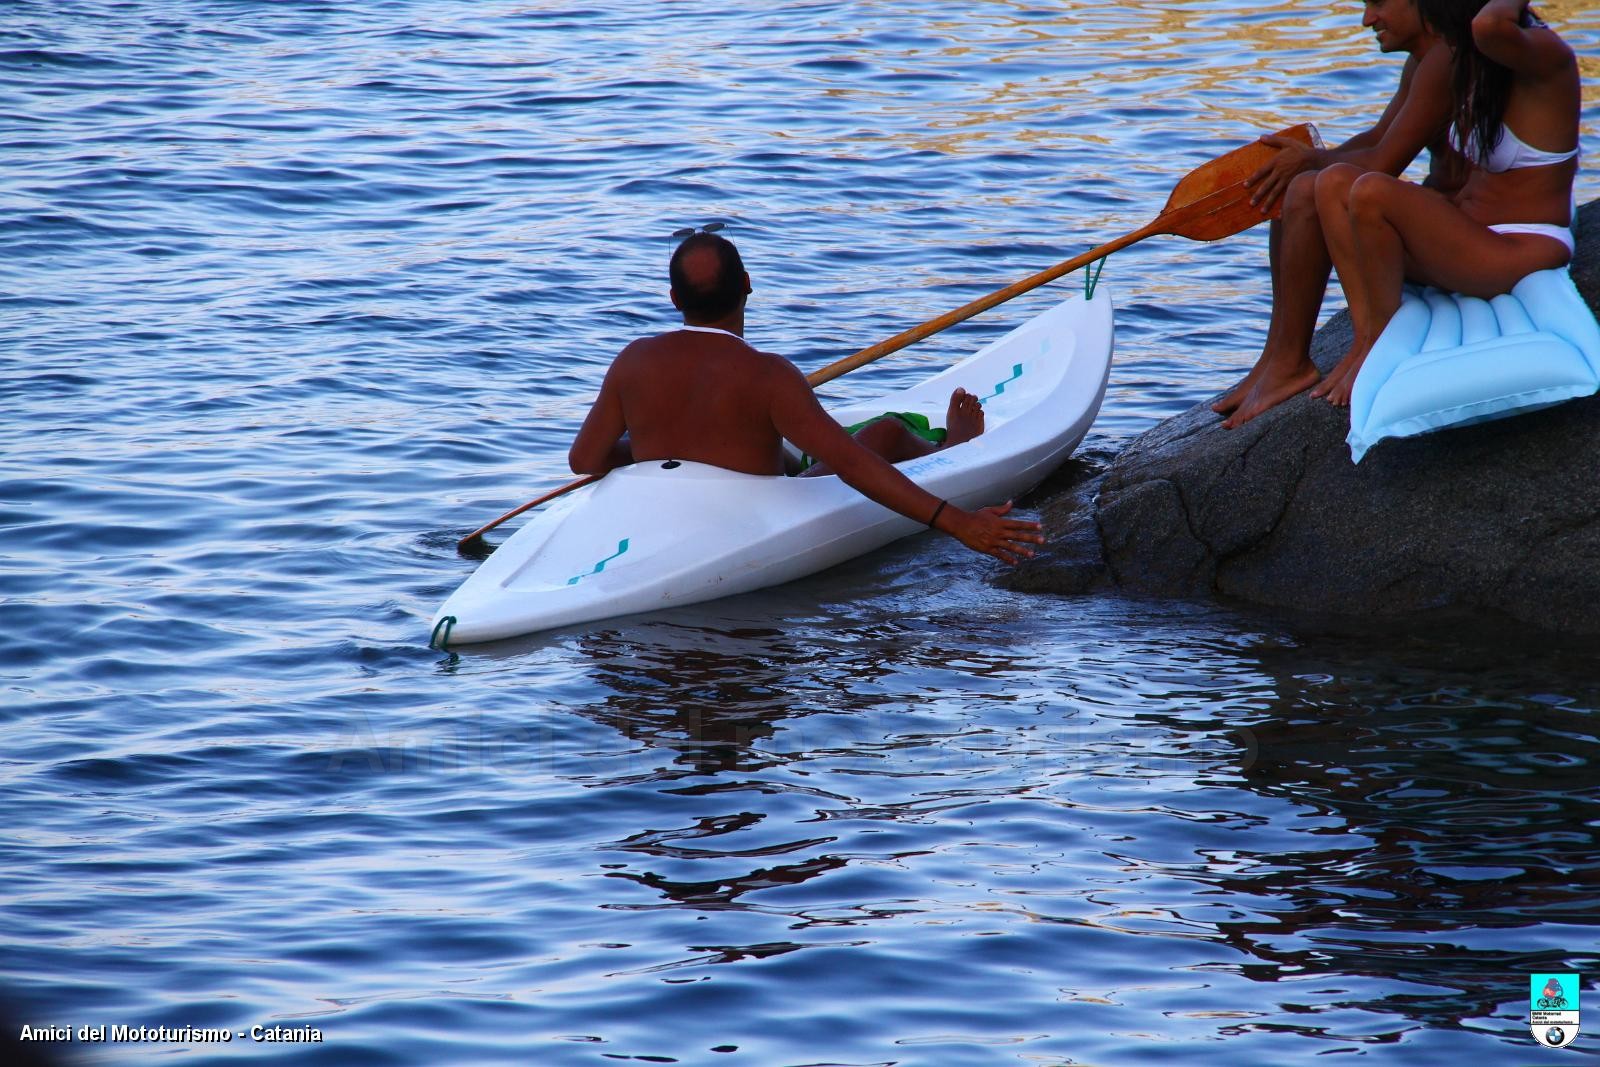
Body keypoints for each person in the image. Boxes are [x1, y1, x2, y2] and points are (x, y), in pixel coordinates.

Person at [568, 231, 1045, 564]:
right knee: (885, 432)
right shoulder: (767, 375)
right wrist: (960, 523)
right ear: (749, 286)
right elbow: (855, 466)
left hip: (672, 514)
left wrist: (663, 449)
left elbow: (585, 459)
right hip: (761, 509)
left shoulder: (632, 361)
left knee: (800, 444)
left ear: (674, 299)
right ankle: (949, 449)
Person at [1311, 0, 1579, 406]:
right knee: (1332, 184)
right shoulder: (1472, 65)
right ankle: (1366, 336)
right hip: (1470, 239)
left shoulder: (1546, 56)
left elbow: (1490, 24)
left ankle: (1380, 349)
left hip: (1520, 247)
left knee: (1371, 191)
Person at [1214, 0, 1462, 428]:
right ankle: (1278, 357)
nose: (1368, 19)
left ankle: (1294, 360)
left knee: (1312, 183)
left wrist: (1310, 163)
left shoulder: (1446, 57)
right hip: (1437, 222)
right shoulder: (1423, 61)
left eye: (1379, 3)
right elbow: (1379, 137)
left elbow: (1385, 161)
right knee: (1298, 186)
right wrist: (1309, 159)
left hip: (1460, 232)